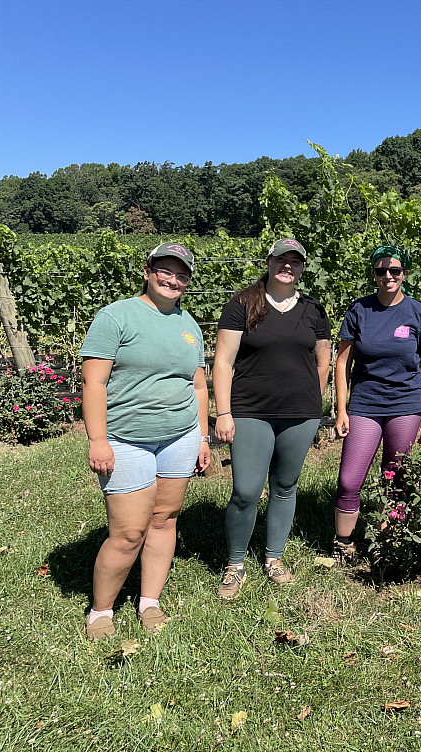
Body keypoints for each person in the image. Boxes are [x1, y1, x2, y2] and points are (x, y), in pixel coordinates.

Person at [80, 242, 211, 639]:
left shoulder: (189, 325)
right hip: (126, 439)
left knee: (164, 520)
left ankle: (149, 600)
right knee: (128, 533)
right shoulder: (116, 316)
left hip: (180, 436)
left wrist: (203, 436)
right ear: (148, 271)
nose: (173, 280)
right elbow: (94, 381)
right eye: (165, 271)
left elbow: (198, 384)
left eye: (181, 274)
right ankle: (101, 609)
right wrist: (97, 440)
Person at [212, 238, 331, 598]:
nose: (288, 266)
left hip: (299, 414)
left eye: (296, 261)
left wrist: (315, 401)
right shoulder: (243, 304)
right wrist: (223, 412)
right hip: (250, 410)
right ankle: (235, 564)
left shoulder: (314, 309)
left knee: (284, 486)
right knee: (246, 491)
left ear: (302, 268)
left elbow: (323, 360)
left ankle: (273, 558)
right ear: (269, 261)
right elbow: (223, 362)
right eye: (282, 259)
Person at [331, 244, 421, 564]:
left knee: (395, 475)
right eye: (381, 271)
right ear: (374, 274)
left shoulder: (419, 313)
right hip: (365, 403)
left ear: (404, 273)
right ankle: (343, 544)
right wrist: (341, 410)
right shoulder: (359, 310)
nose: (388, 276)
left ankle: (386, 542)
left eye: (394, 270)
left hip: (407, 404)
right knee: (349, 479)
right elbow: (341, 363)